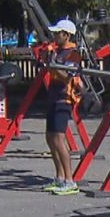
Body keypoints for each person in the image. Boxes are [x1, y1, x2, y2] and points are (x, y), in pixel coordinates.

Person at [43, 19, 83, 196]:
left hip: (64, 99)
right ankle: (59, 177)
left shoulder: (73, 54)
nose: (54, 36)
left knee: (59, 139)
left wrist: (53, 64)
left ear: (66, 35)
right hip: (53, 97)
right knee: (50, 137)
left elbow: (67, 76)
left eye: (58, 33)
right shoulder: (56, 52)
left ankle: (70, 180)